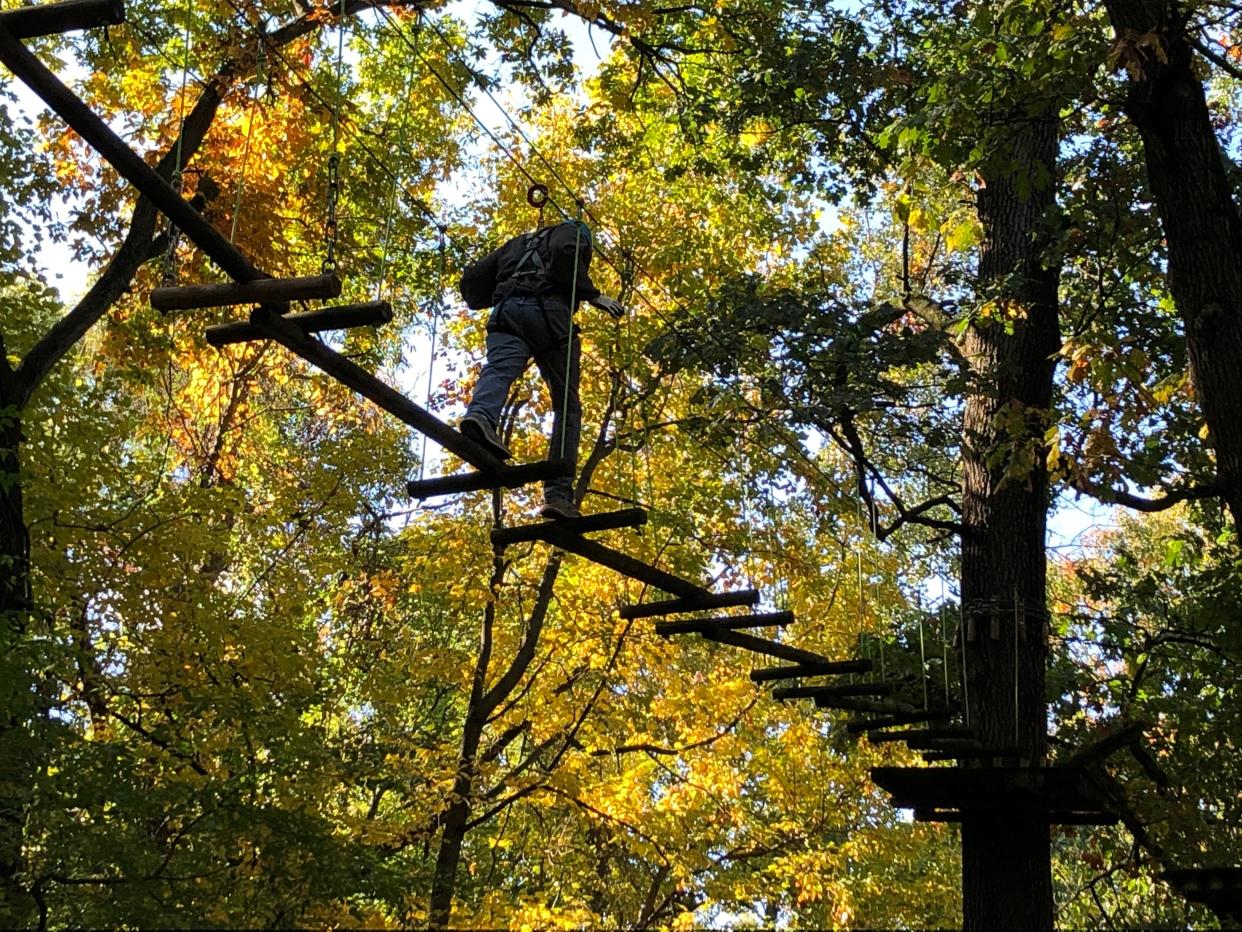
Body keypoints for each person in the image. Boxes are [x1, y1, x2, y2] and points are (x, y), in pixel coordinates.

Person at [457, 220, 625, 520]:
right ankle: (558, 495)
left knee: (499, 369)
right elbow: (565, 250)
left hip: (506, 313)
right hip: (550, 314)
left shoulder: (515, 244)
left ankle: (480, 416)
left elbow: (473, 283)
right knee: (567, 405)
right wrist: (591, 294)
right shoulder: (572, 230)